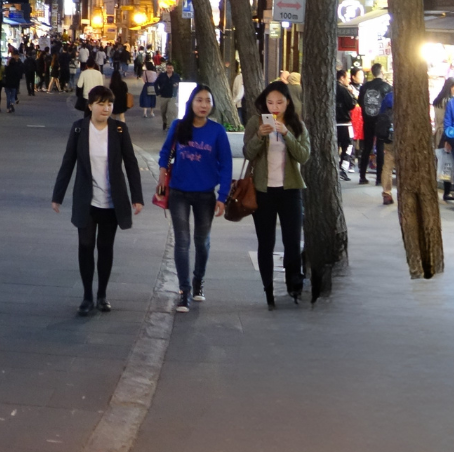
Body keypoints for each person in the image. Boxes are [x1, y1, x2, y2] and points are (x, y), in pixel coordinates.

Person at [52, 87, 144, 315]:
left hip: (112, 200)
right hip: (86, 199)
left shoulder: (120, 129)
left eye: (109, 104)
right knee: (85, 245)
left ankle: (102, 294)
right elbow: (68, 162)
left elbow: (131, 164)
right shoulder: (79, 129)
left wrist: (137, 197)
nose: (106, 108)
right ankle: (86, 296)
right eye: (101, 103)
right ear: (90, 105)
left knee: (105, 247)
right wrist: (58, 196)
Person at [158, 86, 233, 313]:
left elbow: (227, 164)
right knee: (182, 241)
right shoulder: (179, 126)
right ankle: (184, 291)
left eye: (207, 101)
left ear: (212, 105)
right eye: (199, 100)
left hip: (205, 195)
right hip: (178, 192)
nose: (203, 105)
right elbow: (165, 152)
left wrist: (223, 196)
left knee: (202, 241)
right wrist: (162, 174)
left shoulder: (217, 131)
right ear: (191, 103)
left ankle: (198, 279)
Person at [243, 83, 310, 308]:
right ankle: (268, 289)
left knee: (292, 241)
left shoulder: (296, 125)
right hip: (263, 191)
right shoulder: (256, 122)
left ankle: (294, 284)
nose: (274, 107)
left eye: (279, 102)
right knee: (266, 242)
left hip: (290, 190)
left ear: (288, 102)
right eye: (270, 103)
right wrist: (260, 136)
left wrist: (287, 134)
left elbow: (304, 156)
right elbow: (247, 153)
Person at [356, 64, 392, 186]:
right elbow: (390, 105)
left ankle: (362, 176)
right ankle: (379, 178)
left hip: (368, 120)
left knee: (367, 147)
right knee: (380, 148)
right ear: (381, 71)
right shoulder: (387, 87)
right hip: (381, 120)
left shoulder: (364, 86)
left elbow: (360, 102)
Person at [333, 68, 357, 179]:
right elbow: (352, 104)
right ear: (342, 78)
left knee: (335, 146)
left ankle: (334, 168)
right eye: (347, 78)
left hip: (334, 122)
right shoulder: (344, 90)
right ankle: (343, 168)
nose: (349, 81)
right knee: (348, 145)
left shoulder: (331, 88)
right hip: (344, 122)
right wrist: (352, 94)